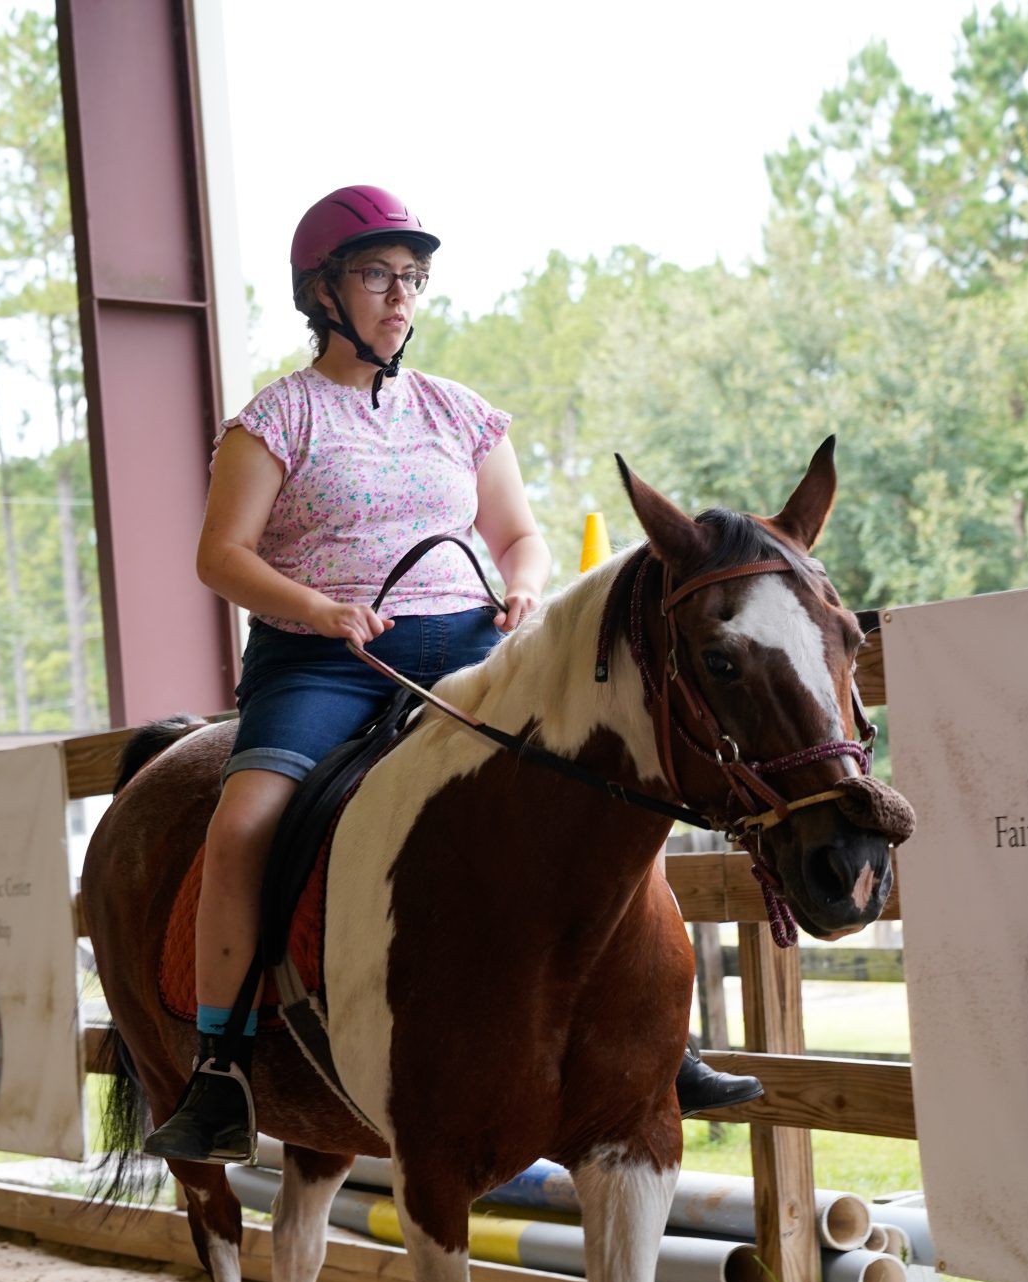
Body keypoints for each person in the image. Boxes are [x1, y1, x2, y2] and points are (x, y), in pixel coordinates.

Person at [144, 185, 761, 1164]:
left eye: (413, 278)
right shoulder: (275, 420)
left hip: (469, 647)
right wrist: (317, 609)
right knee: (244, 822)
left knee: (607, 782)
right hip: (326, 661)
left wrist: (522, 588)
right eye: (379, 275)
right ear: (324, 291)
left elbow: (518, 534)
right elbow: (221, 556)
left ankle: (665, 1034)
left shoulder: (462, 414)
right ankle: (220, 1063)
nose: (401, 295)